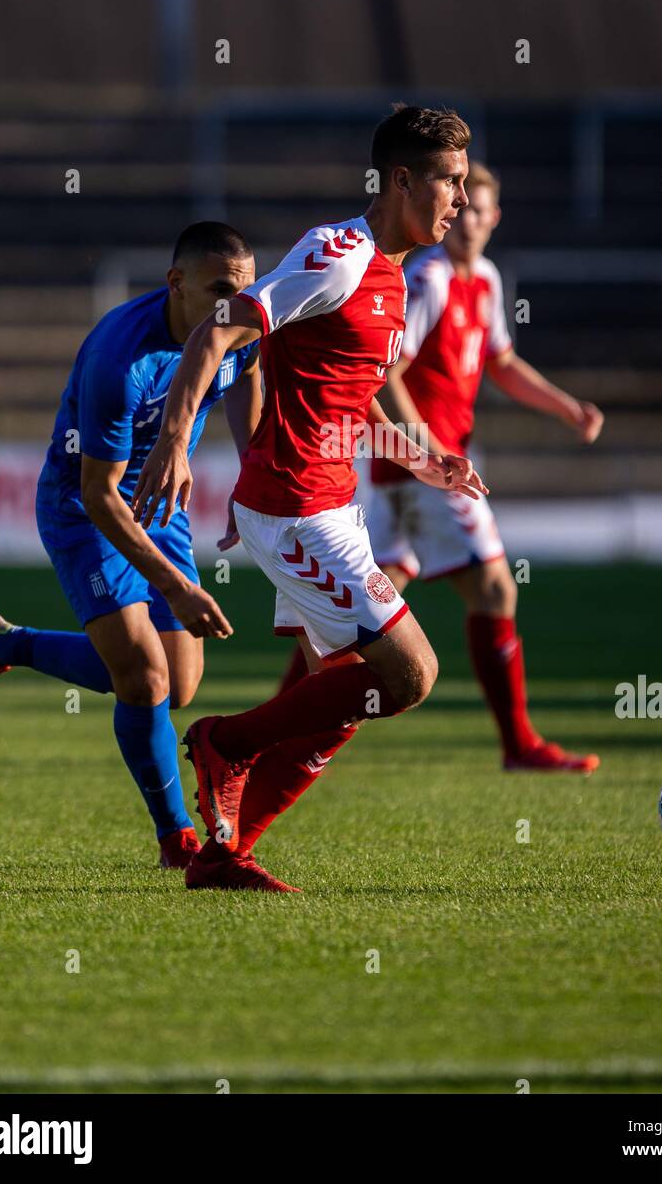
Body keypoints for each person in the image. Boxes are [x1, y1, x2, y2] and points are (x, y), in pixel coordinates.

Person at [132, 104, 485, 894]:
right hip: (297, 508)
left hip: (323, 501)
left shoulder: (392, 278)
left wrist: (422, 459)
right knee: (411, 675)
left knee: (350, 700)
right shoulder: (340, 253)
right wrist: (174, 441)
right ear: (401, 179)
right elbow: (223, 327)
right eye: (450, 182)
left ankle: (225, 854)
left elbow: (347, 401)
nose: (460, 200)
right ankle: (225, 741)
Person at [0, 223, 260, 868]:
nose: (236, 304)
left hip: (159, 506)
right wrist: (179, 587)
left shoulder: (242, 325)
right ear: (176, 283)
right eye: (221, 290)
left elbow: (247, 379)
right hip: (85, 509)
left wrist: (251, 473)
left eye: (245, 289)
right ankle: (176, 840)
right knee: (145, 679)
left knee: (177, 685)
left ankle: (3, 643)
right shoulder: (122, 361)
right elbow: (99, 493)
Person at [364, 160, 604, 771]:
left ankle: (273, 726)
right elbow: (389, 367)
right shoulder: (431, 279)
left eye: (480, 210)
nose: (467, 219)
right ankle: (519, 745)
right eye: (461, 207)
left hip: (412, 465)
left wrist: (566, 407)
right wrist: (423, 449)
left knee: (367, 602)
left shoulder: (487, 279)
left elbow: (500, 363)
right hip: (432, 465)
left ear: (495, 217)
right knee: (495, 587)